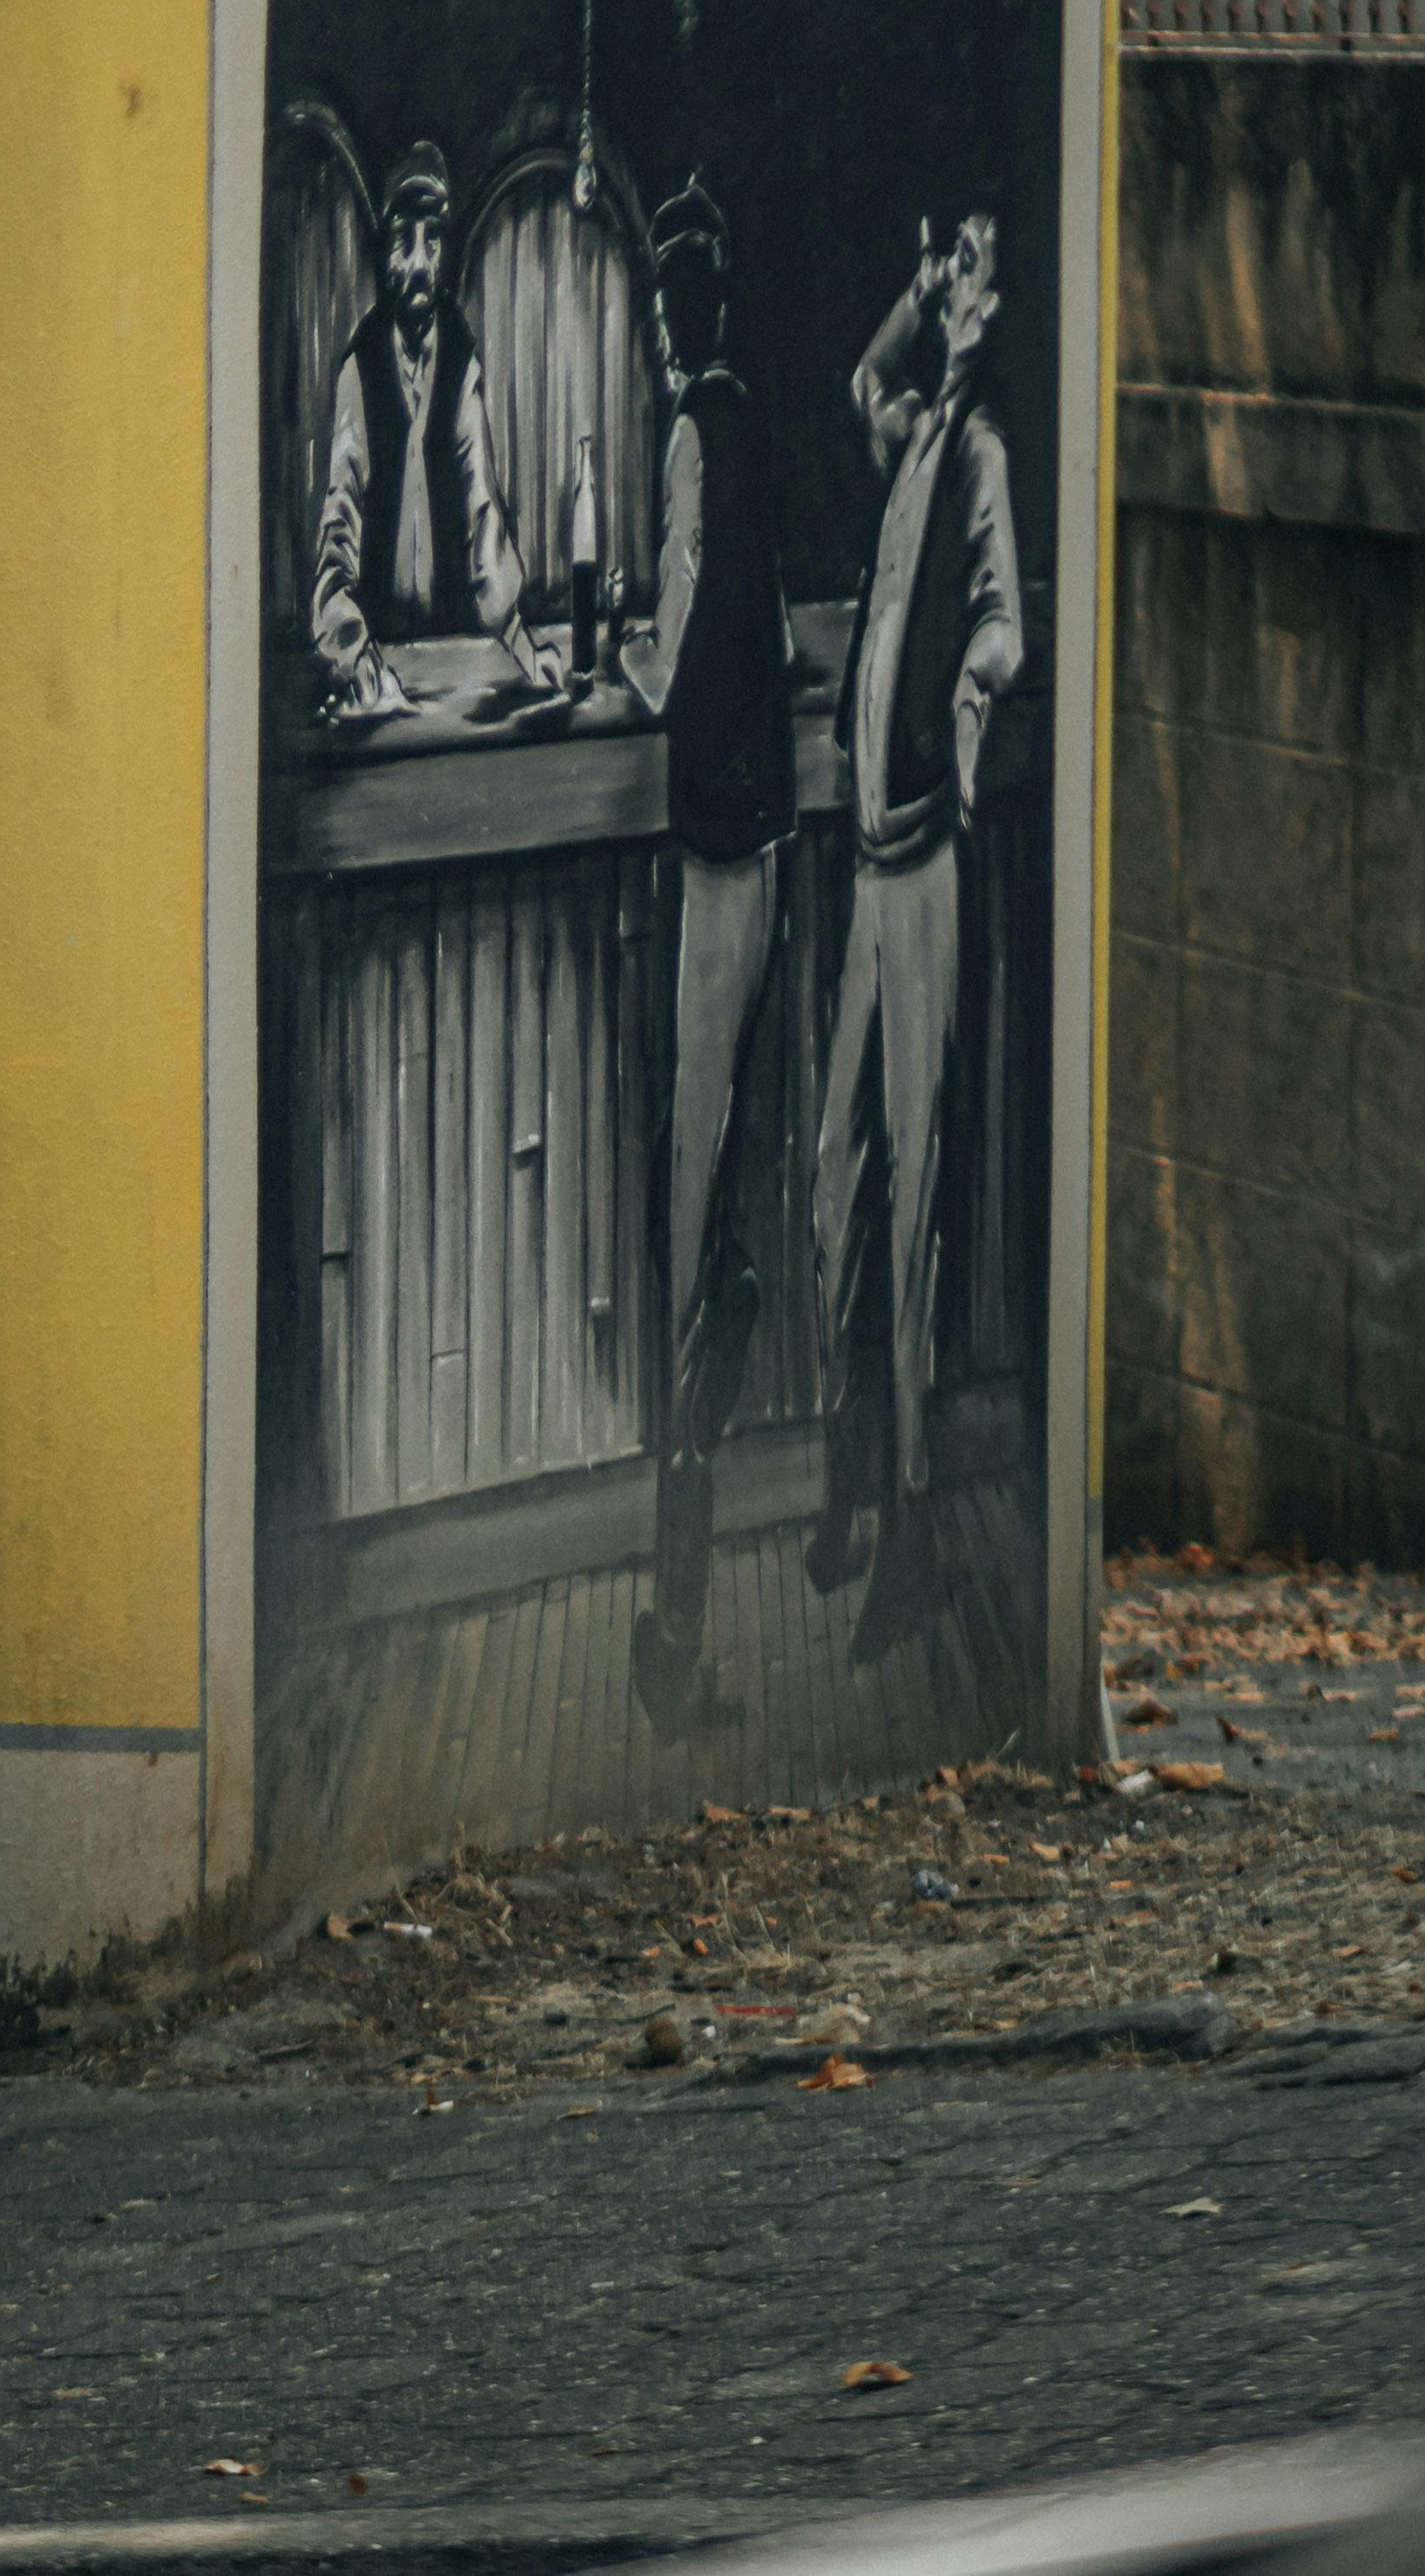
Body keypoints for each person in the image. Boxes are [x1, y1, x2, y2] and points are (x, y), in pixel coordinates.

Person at [800, 211, 1025, 1600]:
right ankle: (844, 1484)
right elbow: (857, 386)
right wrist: (909, 282)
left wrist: (967, 697)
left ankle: (913, 1531)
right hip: (864, 873)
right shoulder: (910, 443)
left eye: (967, 295)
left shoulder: (983, 452)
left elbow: (1003, 618)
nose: (950, 313)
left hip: (925, 864)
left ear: (991, 317)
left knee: (913, 1196)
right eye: (944, 290)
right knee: (835, 1187)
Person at [621, 180, 791, 1728]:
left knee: (691, 1218)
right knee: (722, 1189)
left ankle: (676, 1629)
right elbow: (772, 633)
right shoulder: (756, 425)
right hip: (772, 837)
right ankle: (689, 1594)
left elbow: (678, 641)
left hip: (716, 850)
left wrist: (629, 658)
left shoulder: (689, 435)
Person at [307, 144, 525, 715]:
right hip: (376, 658)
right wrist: (356, 655)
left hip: (452, 652)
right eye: (405, 242)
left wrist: (523, 645)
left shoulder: (461, 359)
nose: (420, 264)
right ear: (383, 254)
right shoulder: (360, 368)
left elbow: (484, 512)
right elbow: (338, 528)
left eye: (432, 241)